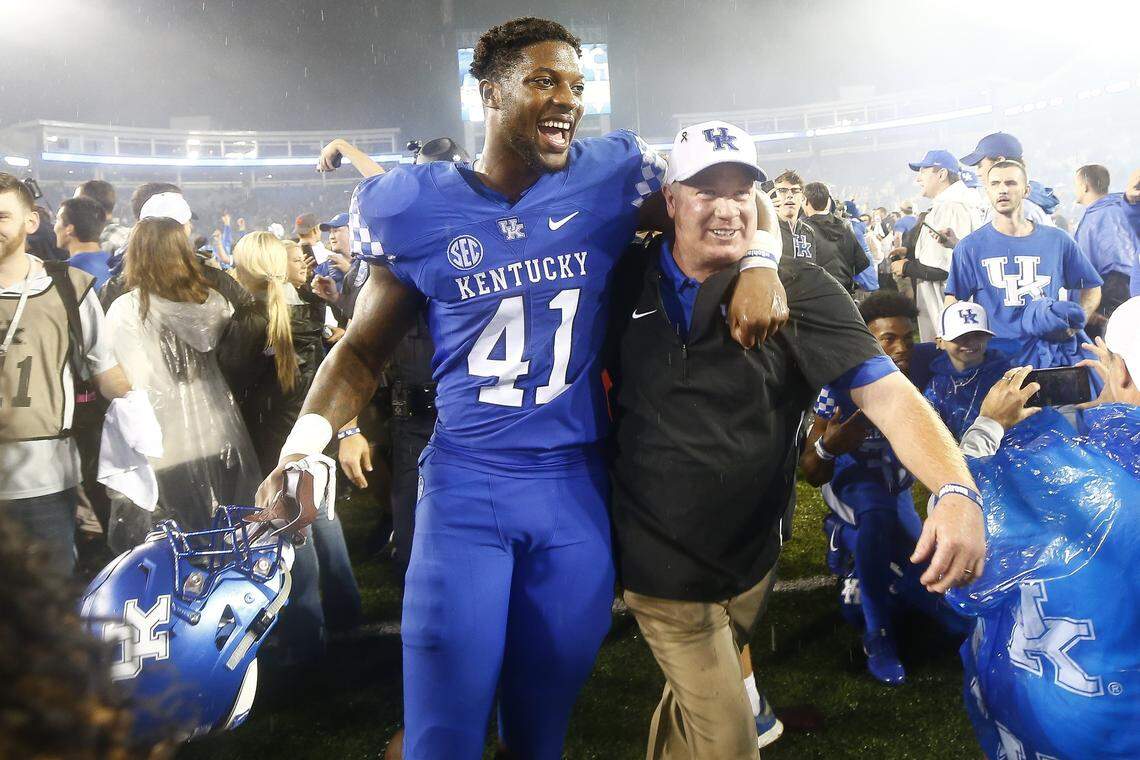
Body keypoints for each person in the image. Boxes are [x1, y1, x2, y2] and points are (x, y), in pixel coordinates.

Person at [253, 17, 787, 759]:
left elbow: (725, 198)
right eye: (542, 80)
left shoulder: (610, 178)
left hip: (575, 489)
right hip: (467, 486)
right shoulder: (410, 204)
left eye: (574, 84)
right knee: (444, 736)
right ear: (489, 93)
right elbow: (361, 349)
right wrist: (307, 444)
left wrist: (760, 260)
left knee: (541, 734)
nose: (566, 99)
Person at [606, 131, 985, 757]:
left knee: (694, 713)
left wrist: (953, 486)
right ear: (669, 199)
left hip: (753, 551)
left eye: (740, 192)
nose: (726, 209)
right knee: (730, 739)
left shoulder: (801, 288)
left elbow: (886, 393)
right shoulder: (621, 277)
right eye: (705, 191)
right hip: (657, 557)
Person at [946, 298, 1140, 760]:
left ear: (1124, 373)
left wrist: (987, 425)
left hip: (1064, 714)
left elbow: (956, 516)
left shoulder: (1054, 468)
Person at [800, 292, 977, 686]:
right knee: (875, 527)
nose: (901, 349)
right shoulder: (841, 380)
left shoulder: (922, 363)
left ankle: (845, 539)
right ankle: (877, 636)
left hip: (894, 485)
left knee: (923, 566)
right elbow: (811, 472)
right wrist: (831, 444)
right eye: (888, 340)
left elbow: (967, 348)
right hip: (854, 479)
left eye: (908, 338)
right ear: (865, 339)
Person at [231, 230, 361, 657]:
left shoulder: (247, 320)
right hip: (311, 432)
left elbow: (229, 385)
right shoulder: (315, 308)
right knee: (322, 516)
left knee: (291, 533)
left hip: (274, 440)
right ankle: (347, 613)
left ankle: (306, 639)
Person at [0, 172, 133, 575]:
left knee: (48, 612)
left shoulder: (67, 289)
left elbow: (109, 375)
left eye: (2, 216)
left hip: (44, 485)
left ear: (31, 222)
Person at [103, 217, 260, 552]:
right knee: (227, 540)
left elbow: (132, 382)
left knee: (178, 550)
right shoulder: (213, 302)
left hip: (163, 442)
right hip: (219, 432)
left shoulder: (127, 309)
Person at [945, 160, 1102, 368]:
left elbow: (1091, 287)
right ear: (987, 191)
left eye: (1010, 183)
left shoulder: (1058, 240)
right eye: (995, 184)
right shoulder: (969, 246)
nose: (1002, 189)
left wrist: (1074, 324)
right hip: (996, 359)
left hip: (1049, 356)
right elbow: (954, 299)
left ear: (1026, 190)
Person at [894, 149, 982, 341]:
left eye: (924, 171)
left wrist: (906, 267)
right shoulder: (955, 203)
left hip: (946, 304)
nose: (918, 179)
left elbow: (943, 269)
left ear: (941, 174)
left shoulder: (951, 206)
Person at [923, 301, 1011, 440]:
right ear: (940, 342)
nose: (970, 342)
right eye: (960, 336)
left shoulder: (1005, 376)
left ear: (988, 337)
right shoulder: (937, 387)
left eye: (977, 335)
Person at [1074, 164, 1139, 334]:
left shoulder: (1103, 214)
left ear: (1084, 186)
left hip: (1114, 287)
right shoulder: (1120, 209)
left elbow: (1115, 261)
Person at [958, 132, 1054, 227]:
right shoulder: (1023, 199)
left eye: (980, 165)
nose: (978, 173)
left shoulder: (1015, 206)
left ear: (999, 161)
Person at [801, 182, 871, 294]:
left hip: (817, 295)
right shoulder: (845, 226)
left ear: (805, 200)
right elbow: (862, 262)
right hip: (845, 293)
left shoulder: (802, 228)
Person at [55, 196, 111, 289]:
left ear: (69, 229)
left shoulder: (65, 272)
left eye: (57, 220)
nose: (54, 227)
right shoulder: (115, 265)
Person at [770, 169, 817, 263]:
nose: (790, 195)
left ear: (803, 197)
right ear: (774, 196)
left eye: (795, 191)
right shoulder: (767, 229)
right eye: (783, 190)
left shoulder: (808, 231)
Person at [76, 179, 130, 255]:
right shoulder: (129, 235)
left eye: (75, 204)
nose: (71, 208)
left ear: (89, 206)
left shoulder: (104, 243)